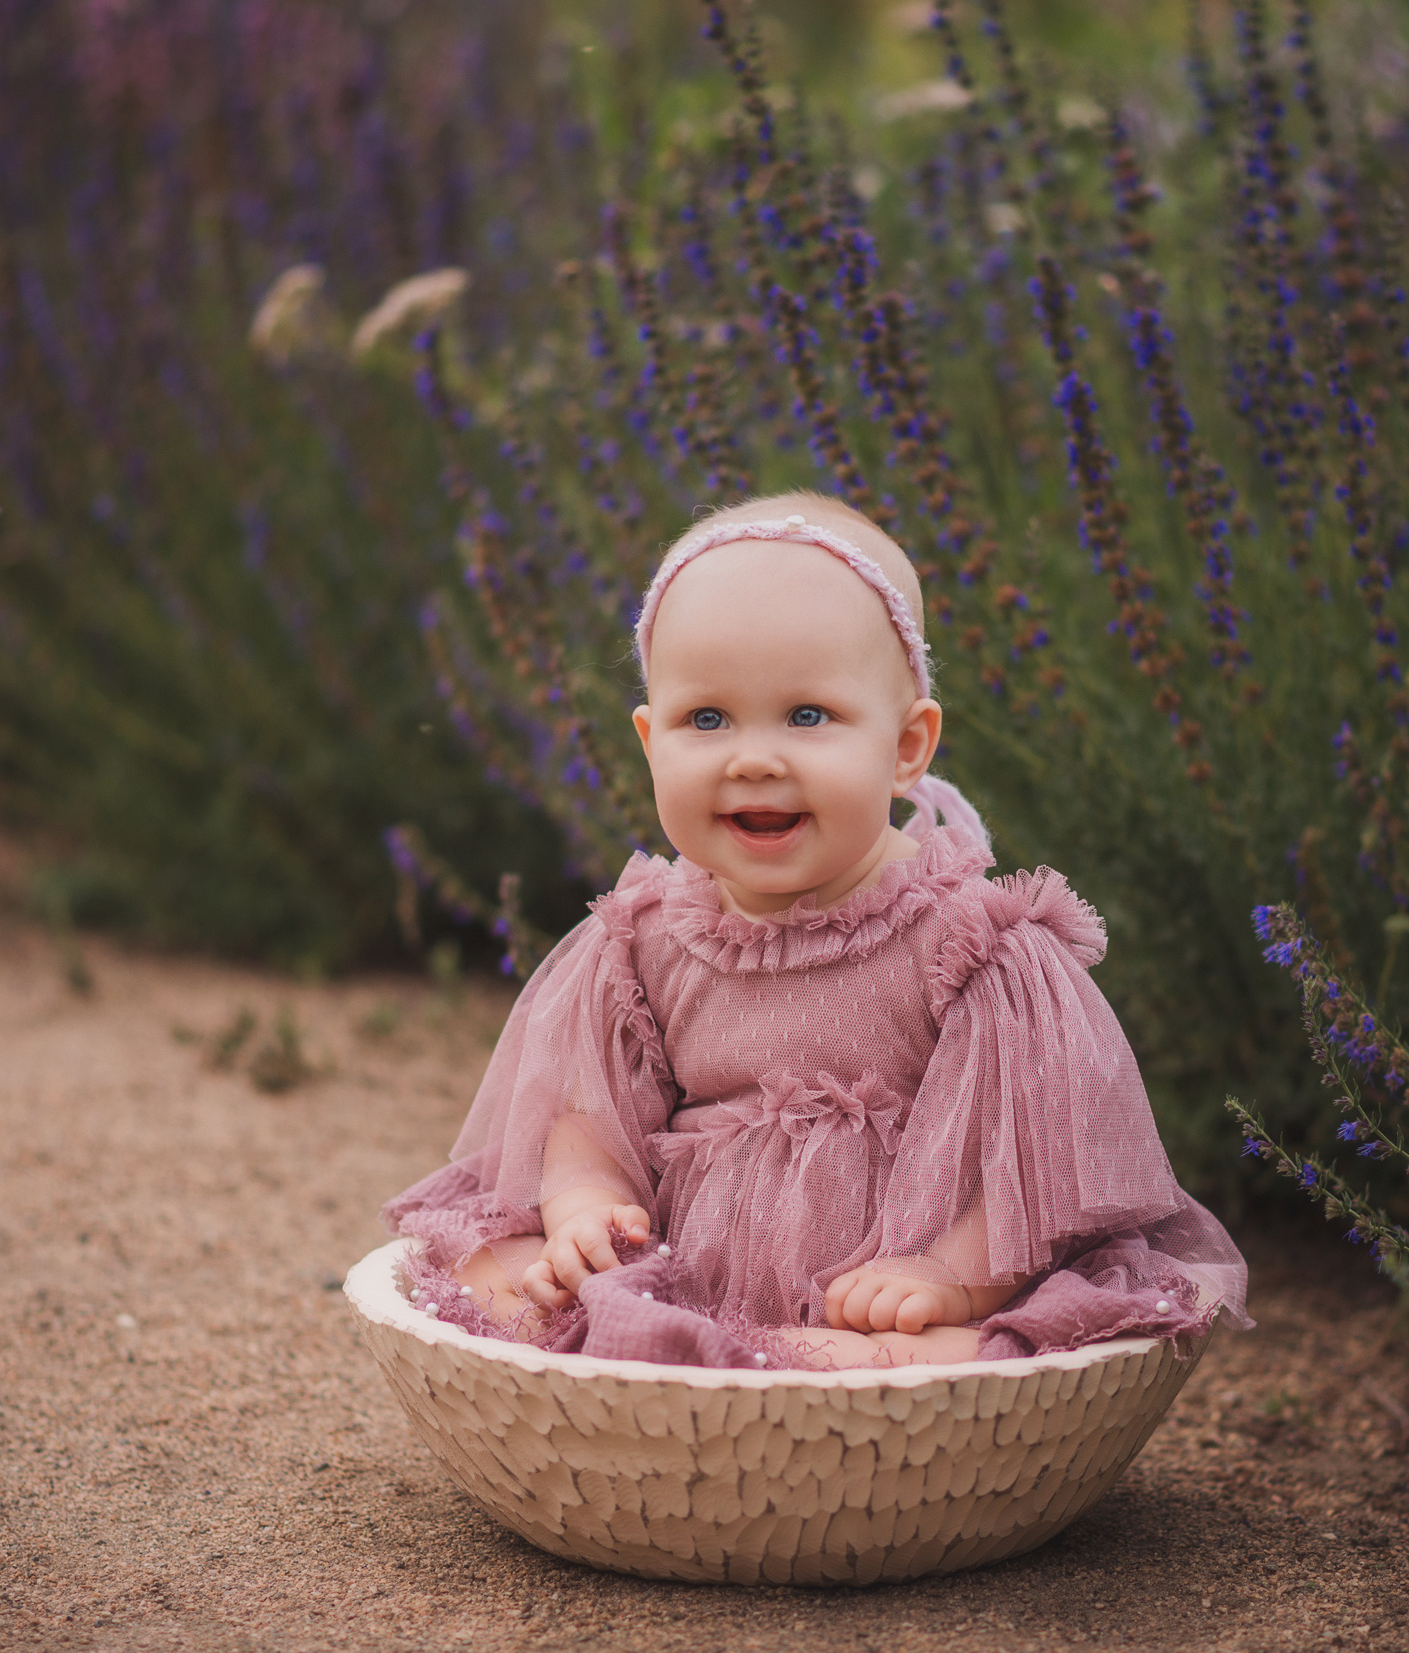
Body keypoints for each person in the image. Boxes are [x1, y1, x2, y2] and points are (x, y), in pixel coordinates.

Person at [383, 492, 1248, 1368]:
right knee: (498, 1277)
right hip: (687, 1273)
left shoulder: (968, 944)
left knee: (960, 1354)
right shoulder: (642, 941)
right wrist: (584, 1209)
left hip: (889, 1304)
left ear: (907, 747)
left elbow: (1041, 1153)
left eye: (807, 716)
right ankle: (680, 1352)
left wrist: (947, 1276)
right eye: (706, 719)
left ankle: (809, 1366)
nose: (753, 757)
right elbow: (586, 1119)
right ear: (650, 742)